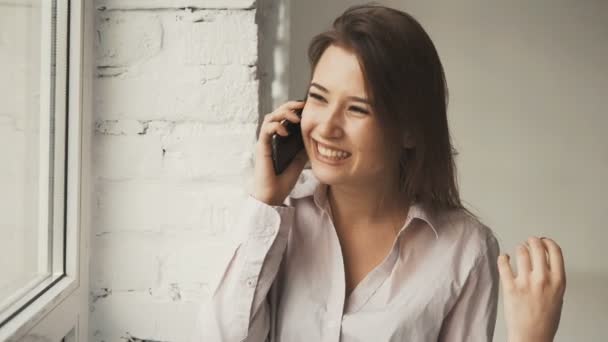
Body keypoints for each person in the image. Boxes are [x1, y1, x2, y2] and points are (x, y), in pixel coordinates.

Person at [191, 3, 566, 341]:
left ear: (409, 131)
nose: (326, 127)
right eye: (319, 97)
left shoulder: (465, 249)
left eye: (357, 109)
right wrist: (265, 202)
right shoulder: (275, 216)